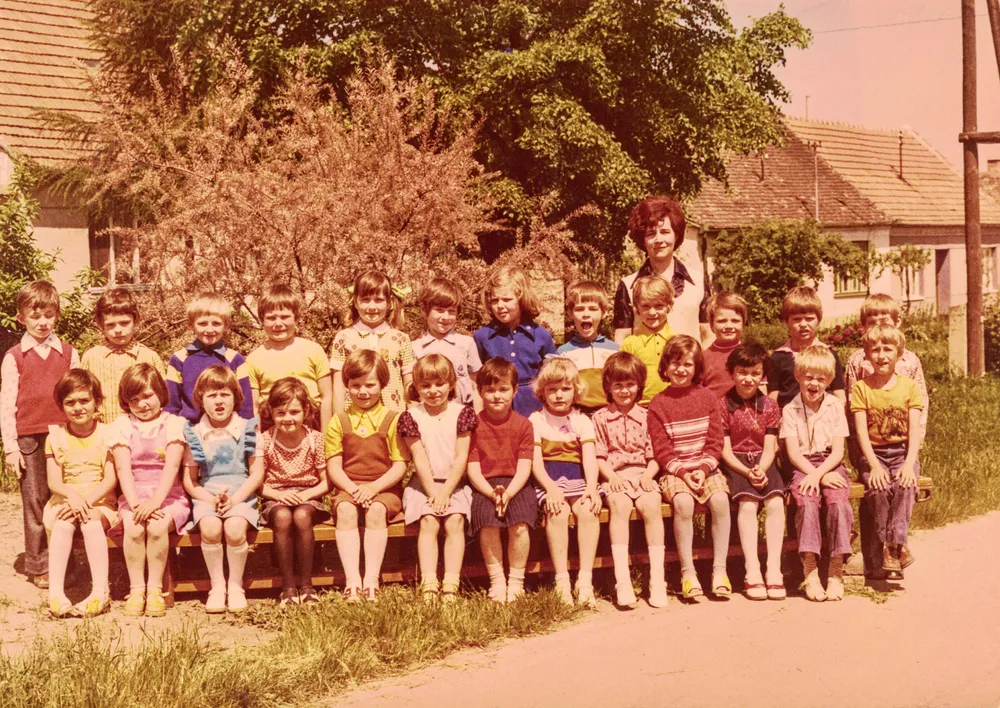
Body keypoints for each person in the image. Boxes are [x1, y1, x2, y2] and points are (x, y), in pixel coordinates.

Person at [1, 280, 80, 589]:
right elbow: (7, 403)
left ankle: (68, 562)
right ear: (22, 318)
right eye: (35, 316)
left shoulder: (70, 353)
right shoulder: (15, 357)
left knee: (65, 498)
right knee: (36, 500)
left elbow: (79, 394)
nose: (42, 322)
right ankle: (39, 564)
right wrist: (11, 447)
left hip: (65, 436)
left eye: (48, 315)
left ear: (57, 315)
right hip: (30, 439)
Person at [843, 293, 928, 578]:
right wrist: (861, 456)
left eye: (885, 320)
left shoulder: (910, 362)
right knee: (876, 489)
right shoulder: (857, 362)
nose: (881, 354)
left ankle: (893, 549)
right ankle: (878, 556)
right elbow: (854, 411)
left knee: (904, 484)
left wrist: (911, 456)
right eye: (872, 322)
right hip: (870, 447)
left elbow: (920, 409)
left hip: (904, 447)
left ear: (898, 323)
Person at [648, 335, 730, 602]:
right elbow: (662, 450)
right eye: (674, 363)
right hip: (675, 471)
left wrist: (704, 469)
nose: (680, 370)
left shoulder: (707, 398)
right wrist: (683, 473)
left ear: (696, 368)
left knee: (720, 500)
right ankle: (688, 572)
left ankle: (719, 570)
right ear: (665, 366)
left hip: (705, 466)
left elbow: (715, 441)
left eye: (687, 364)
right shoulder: (658, 403)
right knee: (683, 503)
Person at [325, 350, 408, 602]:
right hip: (348, 488)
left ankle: (371, 579)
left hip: (384, 488)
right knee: (347, 512)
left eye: (370, 385)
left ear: (382, 384)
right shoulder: (339, 421)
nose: (363, 392)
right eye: (355, 385)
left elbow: (399, 465)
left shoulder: (393, 418)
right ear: (347, 386)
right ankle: (353, 581)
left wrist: (373, 488)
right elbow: (334, 466)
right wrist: (353, 490)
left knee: (376, 512)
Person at [110, 363, 190, 618]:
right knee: (134, 527)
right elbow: (123, 469)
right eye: (134, 400)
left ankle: (155, 589)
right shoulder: (122, 425)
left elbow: (173, 465)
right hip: (134, 496)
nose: (142, 404)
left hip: (168, 496)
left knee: (156, 527)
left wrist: (155, 502)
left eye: (147, 396)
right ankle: (137, 590)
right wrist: (135, 505)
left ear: (160, 394)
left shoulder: (174, 423)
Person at [182, 366, 264, 614]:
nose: (219, 401)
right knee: (210, 527)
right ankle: (217, 586)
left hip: (241, 493)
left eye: (225, 394)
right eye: (211, 395)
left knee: (235, 528)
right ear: (201, 400)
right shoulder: (195, 433)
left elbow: (257, 473)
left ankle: (235, 585)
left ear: (236, 398)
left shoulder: (248, 428)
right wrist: (210, 498)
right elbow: (190, 481)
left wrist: (235, 499)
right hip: (207, 494)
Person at [399, 354, 477, 601]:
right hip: (423, 484)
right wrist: (434, 493)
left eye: (439, 384)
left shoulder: (462, 413)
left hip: (456, 483)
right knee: (429, 521)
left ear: (451, 384)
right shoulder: (412, 416)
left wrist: (446, 492)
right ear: (416, 388)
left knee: (454, 520)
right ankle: (429, 582)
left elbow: (461, 457)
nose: (433, 391)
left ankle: (451, 584)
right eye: (425, 386)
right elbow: (419, 458)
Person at [593, 352, 667, 609]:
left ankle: (658, 579)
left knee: (651, 505)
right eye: (618, 385)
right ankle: (622, 580)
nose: (624, 391)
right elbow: (598, 456)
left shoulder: (648, 416)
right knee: (620, 506)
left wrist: (648, 474)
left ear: (639, 385)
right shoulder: (600, 418)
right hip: (614, 476)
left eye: (630, 385)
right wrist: (611, 477)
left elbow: (657, 454)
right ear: (608, 387)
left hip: (643, 473)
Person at [780, 346, 852, 602]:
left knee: (838, 503)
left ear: (829, 381)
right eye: (809, 377)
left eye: (821, 379)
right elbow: (793, 454)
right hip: (803, 466)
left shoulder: (834, 406)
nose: (814, 384)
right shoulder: (790, 410)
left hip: (830, 464)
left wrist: (822, 474)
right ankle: (809, 569)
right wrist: (815, 476)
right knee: (807, 502)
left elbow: (838, 452)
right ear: (798, 376)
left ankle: (835, 570)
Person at [44, 370, 118, 617]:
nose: (78, 407)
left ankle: (100, 592)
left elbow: (110, 478)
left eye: (84, 400)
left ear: (96, 400)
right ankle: (56, 594)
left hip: (99, 500)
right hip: (65, 499)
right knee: (64, 522)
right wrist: (73, 498)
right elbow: (54, 481)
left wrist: (85, 501)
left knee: (90, 520)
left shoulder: (108, 434)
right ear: (61, 406)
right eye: (70, 402)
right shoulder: (55, 437)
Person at [529, 358, 601, 606]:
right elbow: (535, 462)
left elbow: (590, 460)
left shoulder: (582, 421)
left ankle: (585, 579)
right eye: (552, 390)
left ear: (575, 390)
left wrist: (592, 487)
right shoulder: (536, 420)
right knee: (557, 512)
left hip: (578, 478)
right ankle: (562, 580)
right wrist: (550, 488)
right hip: (547, 480)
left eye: (565, 389)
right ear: (543, 392)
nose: (559, 395)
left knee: (587, 511)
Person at [465, 358, 537, 603]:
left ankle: (516, 581)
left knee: (519, 525)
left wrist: (508, 493)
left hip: (516, 483)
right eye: (490, 390)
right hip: (484, 485)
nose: (497, 396)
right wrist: (490, 493)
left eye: (504, 389)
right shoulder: (473, 425)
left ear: (515, 390)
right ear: (480, 391)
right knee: (488, 523)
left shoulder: (524, 425)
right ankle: (497, 580)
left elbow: (525, 466)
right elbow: (473, 468)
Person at [718, 343, 786, 601]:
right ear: (732, 373)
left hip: (763, 461)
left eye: (755, 373)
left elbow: (770, 445)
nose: (748, 378)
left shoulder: (769, 405)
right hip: (735, 462)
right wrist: (747, 471)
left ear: (763, 375)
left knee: (776, 502)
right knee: (747, 506)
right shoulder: (723, 404)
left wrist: (762, 467)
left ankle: (774, 570)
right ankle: (752, 570)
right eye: (742, 372)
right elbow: (724, 450)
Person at [258, 378, 330, 606]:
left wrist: (306, 495)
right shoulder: (266, 440)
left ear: (306, 410)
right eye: (280, 413)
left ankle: (307, 586)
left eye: (294, 411)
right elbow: (258, 484)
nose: (287, 418)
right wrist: (278, 495)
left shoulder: (315, 440)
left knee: (300, 515)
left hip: (308, 496)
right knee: (282, 516)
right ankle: (288, 587)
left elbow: (326, 482)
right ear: (271, 412)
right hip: (276, 496)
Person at [613, 195, 706, 343]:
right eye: (651, 234)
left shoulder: (698, 282)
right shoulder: (628, 285)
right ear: (642, 239)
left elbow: (707, 335)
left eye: (665, 232)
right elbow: (622, 338)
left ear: (676, 235)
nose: (659, 240)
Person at [473, 266, 556, 417]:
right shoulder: (482, 336)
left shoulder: (541, 335)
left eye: (506, 299)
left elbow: (552, 377)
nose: (500, 306)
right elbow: (476, 381)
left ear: (521, 299)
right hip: (496, 408)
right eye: (494, 300)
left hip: (533, 407)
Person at [247, 284, 333, 429]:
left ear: (296, 318)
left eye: (285, 317)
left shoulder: (314, 351)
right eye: (271, 318)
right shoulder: (254, 359)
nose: (278, 323)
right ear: (262, 320)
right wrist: (258, 443)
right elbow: (254, 406)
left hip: (311, 424)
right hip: (272, 425)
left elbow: (326, 398)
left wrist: (325, 438)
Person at [331, 271, 415, 413]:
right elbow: (338, 386)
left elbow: (409, 385)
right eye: (365, 300)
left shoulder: (401, 339)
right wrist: (340, 422)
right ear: (356, 302)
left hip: (393, 416)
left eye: (378, 300)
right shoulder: (343, 338)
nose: (372, 307)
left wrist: (412, 420)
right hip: (353, 417)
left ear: (389, 303)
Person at [81, 287, 165, 425]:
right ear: (101, 325)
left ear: (136, 320)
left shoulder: (149, 357)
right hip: (104, 432)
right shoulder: (91, 358)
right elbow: (83, 396)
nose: (118, 330)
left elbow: (162, 399)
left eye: (125, 323)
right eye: (111, 325)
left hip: (143, 432)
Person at [166, 292, 253, 424]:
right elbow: (171, 405)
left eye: (216, 324)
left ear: (226, 325)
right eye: (202, 324)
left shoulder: (235, 359)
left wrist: (247, 433)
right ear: (191, 325)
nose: (210, 329)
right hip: (190, 431)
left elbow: (245, 406)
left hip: (226, 430)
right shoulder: (179, 359)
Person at [412, 277, 483, 411]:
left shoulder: (466, 343)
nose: (445, 317)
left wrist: (478, 416)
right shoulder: (415, 347)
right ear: (424, 309)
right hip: (427, 414)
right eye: (439, 310)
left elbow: (476, 384)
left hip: (462, 413)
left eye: (451, 311)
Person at [769, 286, 846, 408]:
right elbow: (773, 395)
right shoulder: (778, 357)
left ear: (819, 320)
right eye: (797, 319)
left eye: (809, 319)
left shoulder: (829, 354)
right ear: (787, 322)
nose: (803, 324)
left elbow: (839, 392)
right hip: (789, 420)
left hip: (824, 418)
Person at [556, 281, 620, 416]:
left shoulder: (615, 350)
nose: (586, 314)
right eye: (579, 309)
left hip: (609, 412)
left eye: (593, 309)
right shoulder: (563, 353)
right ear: (570, 313)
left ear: (604, 312)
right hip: (577, 414)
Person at [621, 276, 674, 405]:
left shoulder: (677, 342)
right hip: (640, 407)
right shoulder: (630, 344)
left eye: (659, 306)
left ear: (669, 306)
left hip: (673, 404)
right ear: (636, 308)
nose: (652, 312)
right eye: (645, 306)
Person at [701, 291, 748, 398]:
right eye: (721, 321)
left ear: (743, 323)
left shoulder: (752, 355)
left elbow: (762, 392)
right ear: (711, 324)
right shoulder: (703, 358)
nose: (728, 326)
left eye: (735, 321)